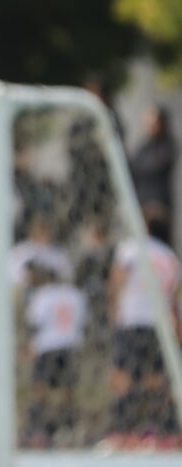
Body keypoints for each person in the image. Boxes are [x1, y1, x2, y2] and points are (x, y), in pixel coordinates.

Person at [104, 218, 182, 448]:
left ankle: (123, 430)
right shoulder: (169, 256)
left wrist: (113, 312)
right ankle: (160, 431)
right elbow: (175, 295)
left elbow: (117, 279)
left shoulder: (131, 248)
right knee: (155, 379)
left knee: (122, 376)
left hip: (133, 319)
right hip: (159, 324)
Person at [24, 262, 88, 448]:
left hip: (48, 346)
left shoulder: (43, 295)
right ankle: (68, 429)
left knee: (40, 390)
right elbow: (83, 321)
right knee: (68, 391)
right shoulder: (75, 294)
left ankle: (40, 430)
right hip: (71, 345)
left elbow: (34, 322)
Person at [128, 105, 177, 244]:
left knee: (159, 246)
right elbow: (134, 167)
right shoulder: (144, 146)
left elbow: (153, 166)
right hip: (141, 206)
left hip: (158, 208)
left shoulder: (167, 145)